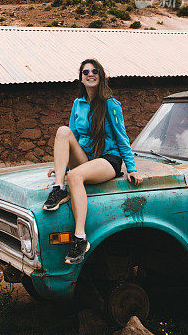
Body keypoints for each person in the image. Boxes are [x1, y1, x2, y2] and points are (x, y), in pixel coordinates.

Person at [43, 58, 143, 264]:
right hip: (86, 158)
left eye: (94, 71)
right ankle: (59, 187)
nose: (90, 74)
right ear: (80, 78)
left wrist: (131, 168)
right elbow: (72, 137)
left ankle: (80, 238)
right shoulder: (77, 104)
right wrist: (59, 168)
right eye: (86, 71)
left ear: (101, 75)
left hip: (108, 159)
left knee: (76, 175)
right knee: (62, 131)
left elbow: (122, 138)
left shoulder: (111, 104)